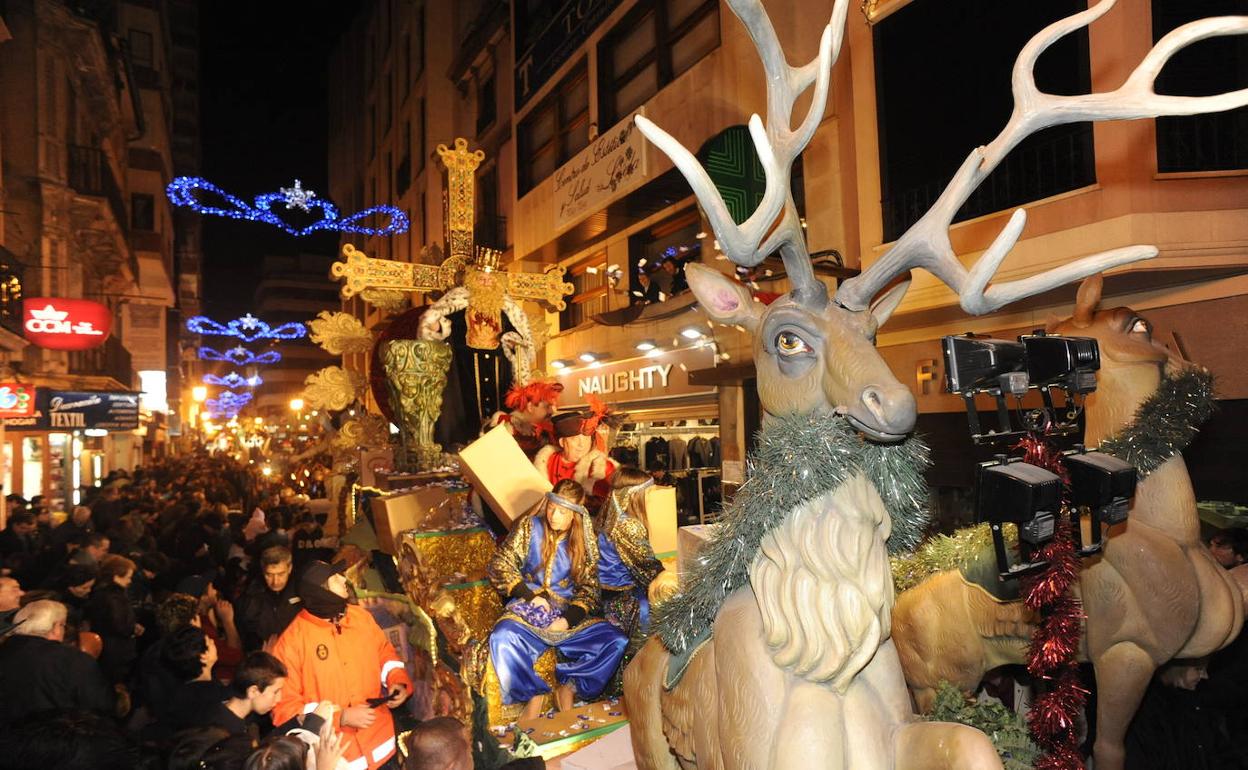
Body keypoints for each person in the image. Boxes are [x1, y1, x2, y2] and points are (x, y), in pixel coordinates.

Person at [486, 480, 627, 721]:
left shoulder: (585, 541)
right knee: (501, 637)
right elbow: (500, 563)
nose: (554, 515)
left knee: (615, 641)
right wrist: (530, 596)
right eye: (551, 507)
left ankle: (570, 687)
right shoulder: (529, 527)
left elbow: (590, 588)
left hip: (566, 617)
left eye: (563, 511)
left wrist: (567, 620)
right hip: (527, 613)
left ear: (575, 514)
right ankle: (533, 694)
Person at [271, 560, 412, 770]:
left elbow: (384, 653)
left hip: (383, 746)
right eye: (335, 577)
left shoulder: (361, 618)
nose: (344, 579)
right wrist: (340, 717)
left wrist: (397, 680)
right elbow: (284, 710)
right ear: (321, 590)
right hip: (339, 759)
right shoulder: (290, 643)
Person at [594, 468, 665, 665]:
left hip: (604, 596)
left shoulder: (608, 518)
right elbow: (647, 567)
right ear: (635, 495)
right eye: (648, 492)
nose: (651, 497)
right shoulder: (628, 526)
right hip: (624, 601)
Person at [0, 600, 114, 722]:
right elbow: (99, 706)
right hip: (55, 735)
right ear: (56, 627)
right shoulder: (74, 660)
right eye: (63, 626)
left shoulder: (5, 650)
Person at [533, 412, 617, 503]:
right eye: (574, 439)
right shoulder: (545, 462)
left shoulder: (602, 468)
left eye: (586, 439)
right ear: (562, 442)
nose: (581, 445)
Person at [84, 553, 142, 683]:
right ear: (116, 577)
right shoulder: (114, 597)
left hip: (106, 647)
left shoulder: (100, 592)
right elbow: (120, 624)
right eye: (128, 577)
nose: (130, 581)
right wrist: (132, 628)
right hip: (116, 650)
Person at [176, 573, 244, 682]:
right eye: (211, 589)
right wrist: (228, 621)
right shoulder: (199, 626)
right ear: (203, 597)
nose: (215, 592)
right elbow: (234, 657)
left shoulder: (203, 618)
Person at [237, 546, 302, 651]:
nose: (275, 581)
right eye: (269, 575)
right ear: (263, 571)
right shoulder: (251, 596)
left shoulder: (303, 591)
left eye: (281, 574)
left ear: (289, 568)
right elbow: (246, 631)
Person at [483, 381, 563, 458]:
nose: (552, 411)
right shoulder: (505, 431)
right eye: (547, 406)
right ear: (530, 407)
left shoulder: (546, 430)